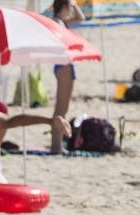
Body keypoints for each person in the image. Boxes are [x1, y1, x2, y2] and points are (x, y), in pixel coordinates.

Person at [47, 0, 85, 154]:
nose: (71, 10)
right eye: (69, 7)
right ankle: (55, 145)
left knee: (63, 107)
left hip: (65, 65)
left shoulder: (61, 21)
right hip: (63, 65)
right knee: (61, 108)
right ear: (63, 7)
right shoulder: (56, 22)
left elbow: (81, 18)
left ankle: (57, 144)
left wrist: (74, 4)